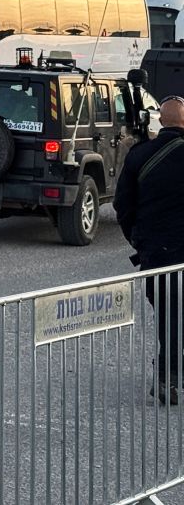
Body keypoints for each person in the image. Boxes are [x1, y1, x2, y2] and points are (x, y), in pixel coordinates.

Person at [115, 95, 184, 405]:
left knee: (168, 316)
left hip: (157, 253)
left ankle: (168, 376)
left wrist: (138, 241)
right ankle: (171, 372)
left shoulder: (140, 155)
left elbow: (122, 205)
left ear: (162, 121)